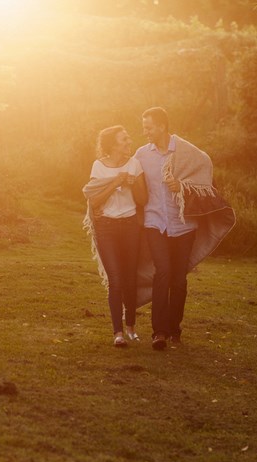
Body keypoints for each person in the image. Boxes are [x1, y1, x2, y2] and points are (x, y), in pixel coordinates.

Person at [134, 107, 235, 351]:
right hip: (154, 223)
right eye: (144, 127)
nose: (145, 131)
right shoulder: (140, 155)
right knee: (163, 272)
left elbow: (204, 174)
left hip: (183, 225)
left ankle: (174, 329)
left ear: (161, 126)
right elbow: (134, 183)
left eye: (148, 127)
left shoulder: (186, 151)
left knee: (179, 279)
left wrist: (182, 186)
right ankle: (158, 332)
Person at [83, 125, 148, 347]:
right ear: (112, 145)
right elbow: (95, 201)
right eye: (124, 139)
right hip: (107, 228)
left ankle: (131, 327)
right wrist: (116, 182)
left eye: (128, 138)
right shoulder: (98, 167)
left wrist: (134, 182)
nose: (129, 142)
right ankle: (117, 332)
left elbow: (142, 200)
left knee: (130, 278)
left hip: (130, 226)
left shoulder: (134, 164)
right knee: (116, 279)